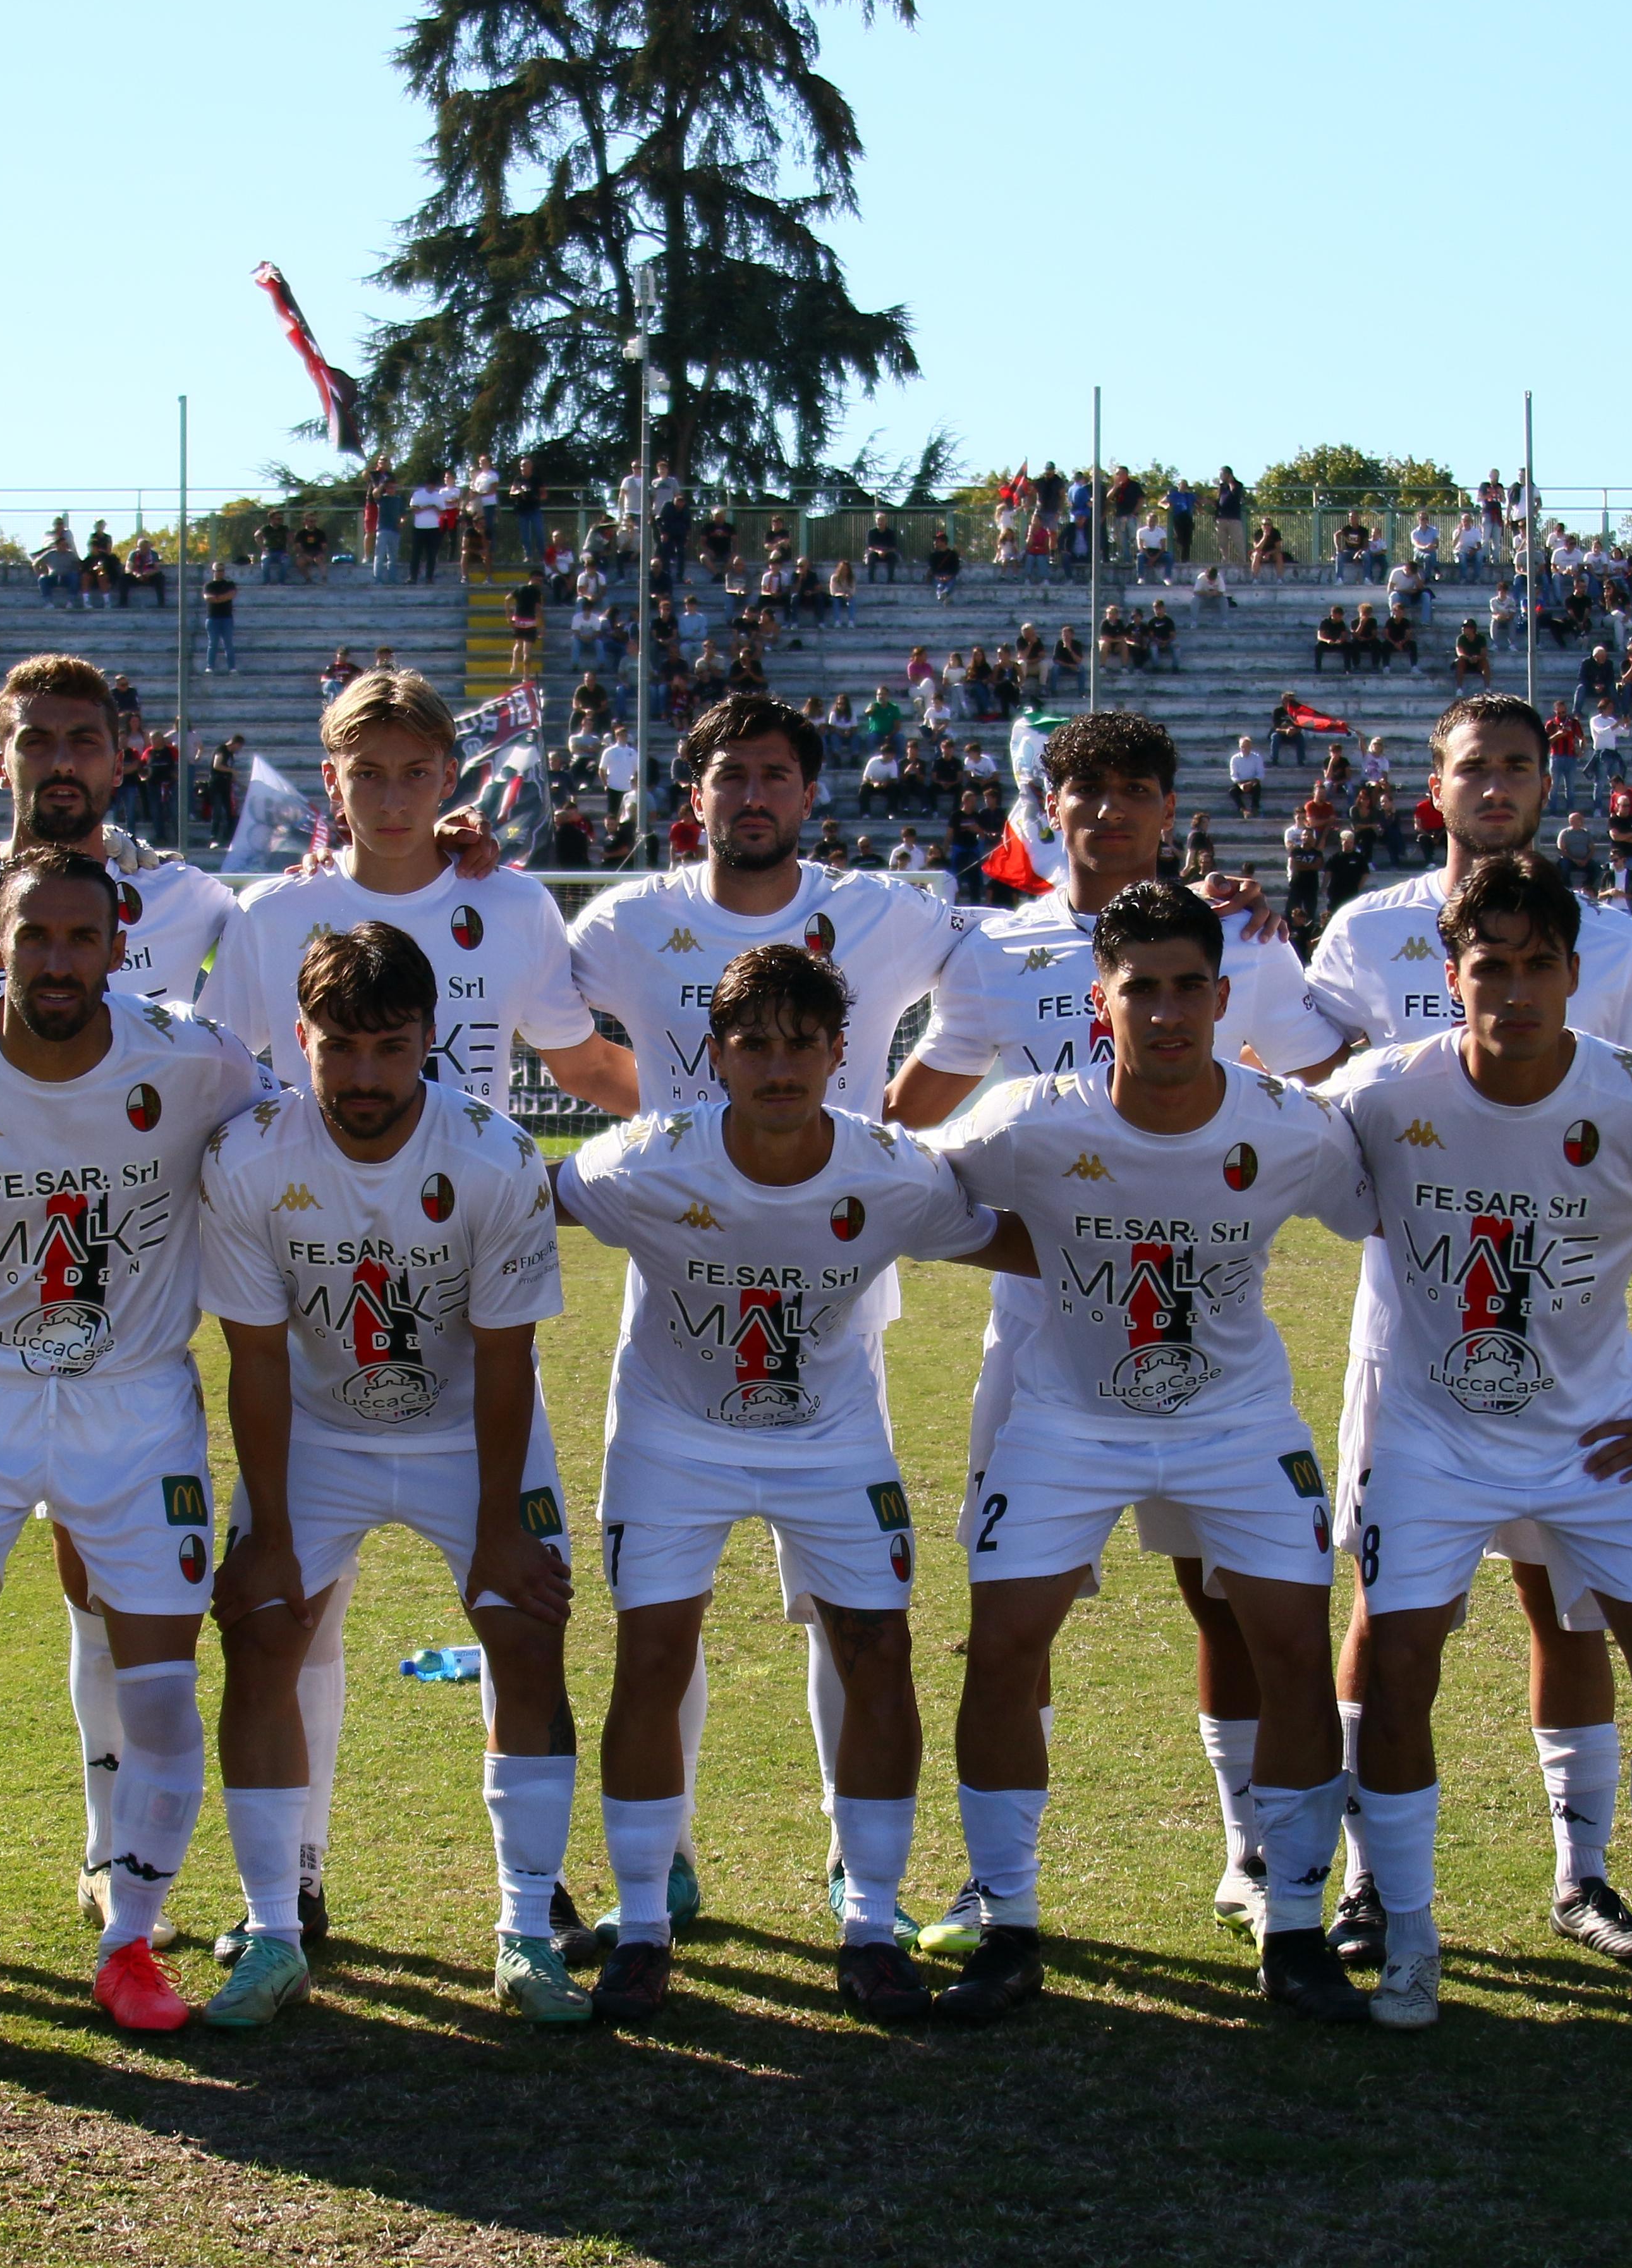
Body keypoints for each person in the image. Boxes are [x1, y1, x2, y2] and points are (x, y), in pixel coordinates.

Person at [883, 712, 1345, 1949]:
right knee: (1015, 1616)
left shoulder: (1239, 932)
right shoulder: (996, 948)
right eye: (1083, 790)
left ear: (1168, 807)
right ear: (1051, 805)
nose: (1108, 812)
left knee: (1224, 1599)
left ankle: (1253, 1852)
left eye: (1135, 789)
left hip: (1203, 1341)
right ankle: (998, 1887)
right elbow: (912, 1121)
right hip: (1040, 1345)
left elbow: (1326, 1097)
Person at [0, 846, 271, 2065]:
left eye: (82, 937)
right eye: (35, 936)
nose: (58, 960)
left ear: (119, 945)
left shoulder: (194, 1056)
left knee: (160, 1688)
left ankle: (129, 1943)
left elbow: (296, 1134)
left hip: (137, 1406)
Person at [198, 671, 628, 1951]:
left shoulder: (512, 903)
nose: (391, 798)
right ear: (330, 779)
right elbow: (217, 1081)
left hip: (465, 1280)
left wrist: (719, 1128)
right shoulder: (276, 915)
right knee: (293, 1615)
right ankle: (296, 1876)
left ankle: (532, 1887)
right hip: (314, 1296)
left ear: (453, 777)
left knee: (520, 1611)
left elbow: (579, 1059)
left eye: (414, 772)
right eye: (365, 772)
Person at [1328, 851, 1632, 2033]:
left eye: (1540, 965)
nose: (1517, 990)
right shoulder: (1381, 1093)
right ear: (1452, 977)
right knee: (1399, 1661)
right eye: (1492, 966)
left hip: (1597, 1437)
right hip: (1431, 1436)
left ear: (1576, 974)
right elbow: (1262, 1175)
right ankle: (1410, 1940)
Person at [551, 943, 1035, 2021]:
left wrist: (1168, 1228)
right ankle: (643, 1927)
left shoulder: (892, 1171)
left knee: (878, 1652)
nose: (779, 1066)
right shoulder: (645, 1161)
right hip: (673, 1436)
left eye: (801, 1044)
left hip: (830, 1436)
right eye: (755, 1044)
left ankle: (870, 1925)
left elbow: (1002, 1240)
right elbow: (528, 1203)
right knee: (653, 1652)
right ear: (715, 1054)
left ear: (838, 1053)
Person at [564, 692, 977, 1939]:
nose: (753, 794)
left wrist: (897, 1115)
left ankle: (858, 1863)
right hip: (682, 1271)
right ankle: (668, 1859)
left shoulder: (889, 911)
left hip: (839, 1291)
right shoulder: (630, 919)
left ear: (808, 792)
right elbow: (542, 1013)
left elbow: (1012, 976)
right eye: (730, 773)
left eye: (776, 774)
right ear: (694, 792)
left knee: (845, 1609)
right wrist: (660, 1131)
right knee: (662, 1612)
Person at [1289, 695, 1632, 1978]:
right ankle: (1369, 1879)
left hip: (1562, 1331)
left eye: (1520, 766)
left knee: (1566, 1609)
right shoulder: (1367, 928)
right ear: (1437, 785)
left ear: (1547, 783)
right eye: (1476, 768)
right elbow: (1305, 1087)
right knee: (1390, 1609)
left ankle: (1581, 1873)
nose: (1497, 786)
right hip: (1412, 1333)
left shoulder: (1609, 939)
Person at [0, 657, 245, 1956]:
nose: (61, 761)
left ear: (122, 755)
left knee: (107, 1593)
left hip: (122, 1339)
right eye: (36, 740)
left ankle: (109, 1860)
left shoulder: (197, 901)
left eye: (84, 738)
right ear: (3, 760)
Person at [199, 922, 588, 2025]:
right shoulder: (249, 1156)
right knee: (261, 1632)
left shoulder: (494, 1155)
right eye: (340, 1046)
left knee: (525, 1630)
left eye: (390, 1046)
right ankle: (272, 1932)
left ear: (431, 1038)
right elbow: (255, 1359)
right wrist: (271, 1535)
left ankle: (527, 1933)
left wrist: (503, 1526)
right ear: (300, 1039)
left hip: (470, 1433)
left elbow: (507, 1358)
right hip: (317, 1432)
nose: (364, 1075)